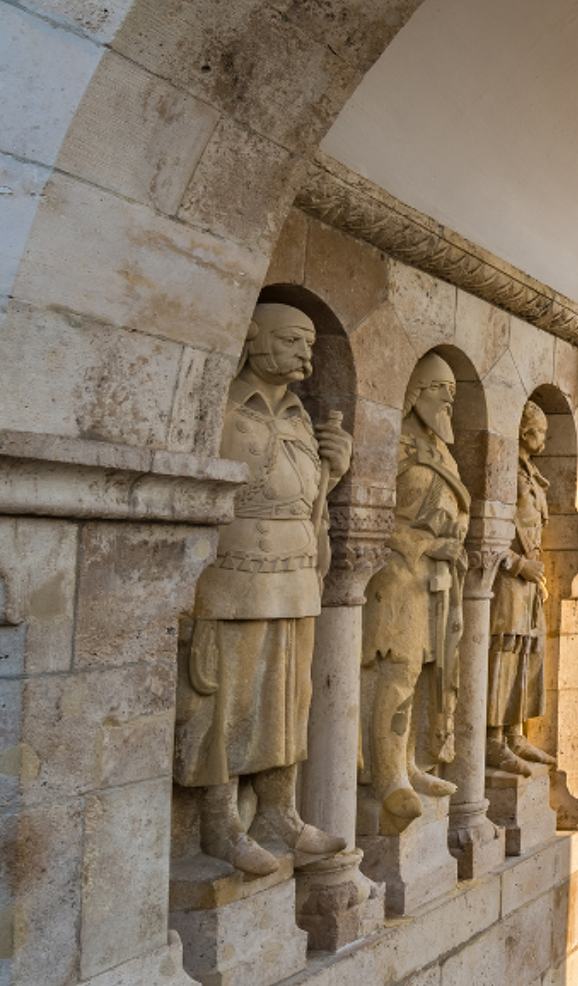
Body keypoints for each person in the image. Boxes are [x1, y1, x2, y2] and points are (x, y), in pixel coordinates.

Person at [177, 303, 350, 875]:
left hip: (296, 575)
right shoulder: (222, 405)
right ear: (253, 340)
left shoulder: (301, 417)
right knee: (228, 698)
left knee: (288, 701)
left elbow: (302, 496)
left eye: (308, 343)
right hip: (237, 575)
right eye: (293, 340)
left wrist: (335, 472)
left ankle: (279, 813)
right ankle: (222, 824)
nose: (306, 353)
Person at [361, 354, 468, 827]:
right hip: (397, 576)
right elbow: (373, 518)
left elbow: (457, 508)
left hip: (436, 580)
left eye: (452, 391)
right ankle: (385, 775)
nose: (448, 399)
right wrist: (426, 544)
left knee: (423, 673)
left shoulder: (442, 451)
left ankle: (408, 765)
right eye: (439, 389)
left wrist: (452, 542)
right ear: (414, 391)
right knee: (397, 673)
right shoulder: (393, 445)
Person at [487, 402, 556, 778]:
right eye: (540, 430)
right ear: (524, 431)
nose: (543, 438)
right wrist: (518, 564)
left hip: (530, 582)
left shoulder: (531, 475)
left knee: (528, 653)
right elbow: (487, 532)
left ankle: (515, 733)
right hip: (508, 580)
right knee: (504, 652)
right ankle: (493, 741)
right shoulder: (507, 472)